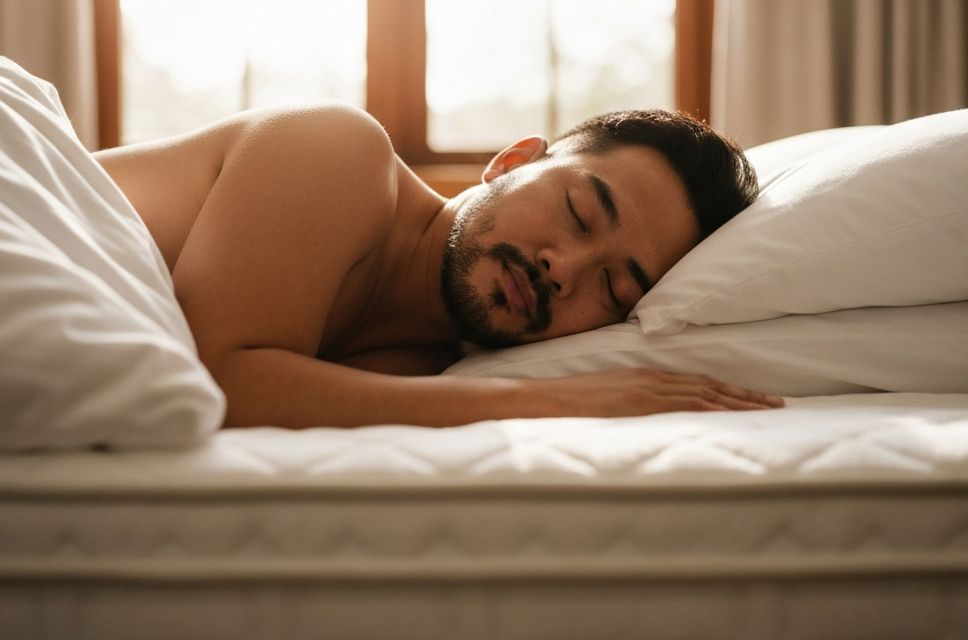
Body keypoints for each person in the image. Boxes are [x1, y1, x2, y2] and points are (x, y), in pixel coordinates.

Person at [95, 102, 784, 427]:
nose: (562, 269)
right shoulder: (339, 153)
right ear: (511, 162)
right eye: (577, 211)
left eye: (613, 286)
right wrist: (550, 400)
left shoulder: (421, 367)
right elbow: (218, 379)